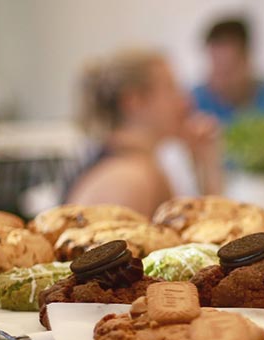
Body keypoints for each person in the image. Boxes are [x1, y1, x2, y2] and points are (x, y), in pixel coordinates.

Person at [66, 49, 223, 215]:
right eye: (171, 88)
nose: (186, 102)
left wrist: (204, 162)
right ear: (133, 101)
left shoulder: (138, 169)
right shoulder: (130, 179)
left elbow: (208, 230)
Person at [191, 17, 264, 135]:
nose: (220, 79)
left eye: (228, 69)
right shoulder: (194, 102)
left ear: (248, 60)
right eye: (216, 67)